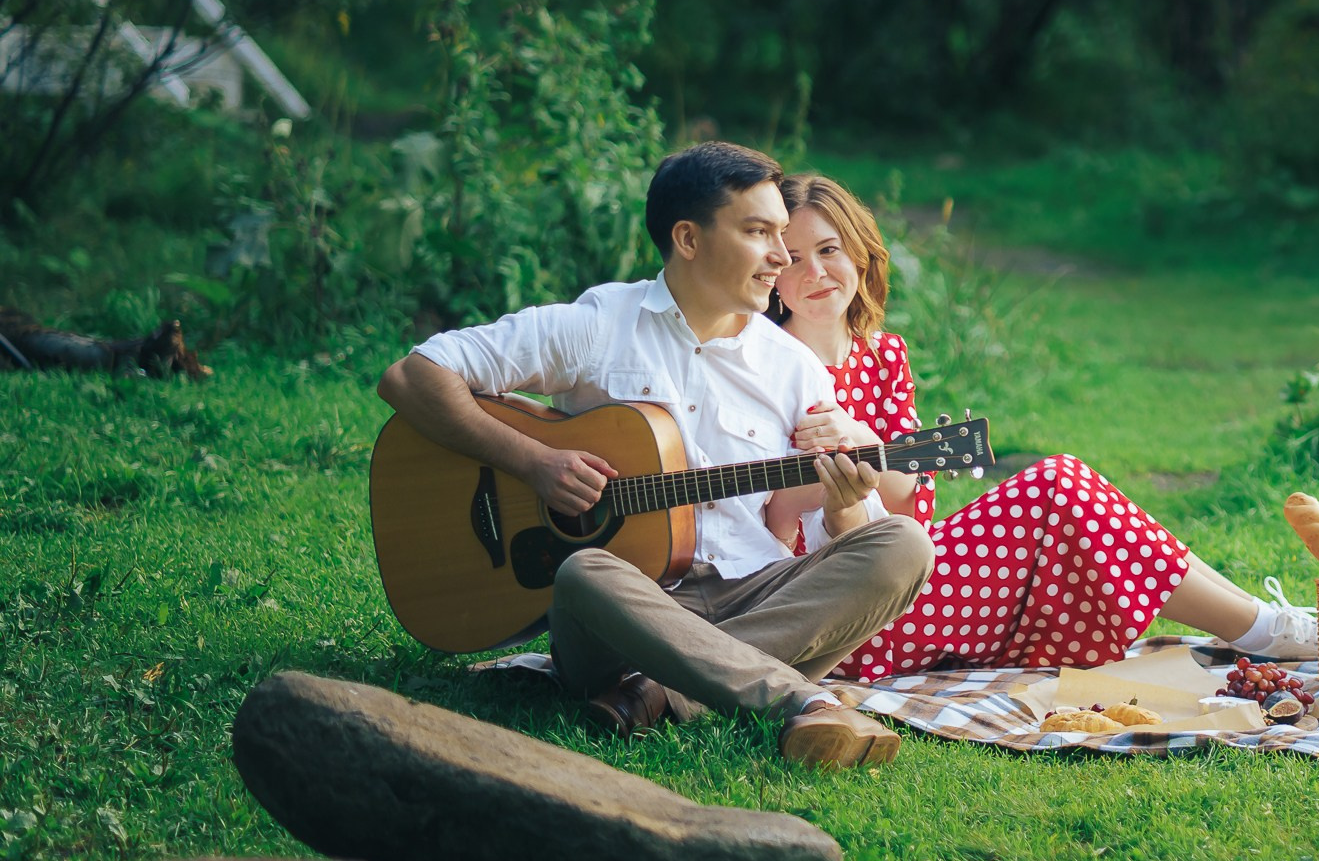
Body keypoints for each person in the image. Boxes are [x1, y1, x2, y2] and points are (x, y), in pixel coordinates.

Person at [375, 141, 936, 769]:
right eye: (759, 233)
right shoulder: (599, 325)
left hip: (750, 591)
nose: (781, 257)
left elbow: (819, 534)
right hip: (624, 612)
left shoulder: (796, 370)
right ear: (689, 240)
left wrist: (845, 505)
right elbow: (413, 376)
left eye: (782, 233)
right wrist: (533, 462)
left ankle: (656, 694)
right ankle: (793, 702)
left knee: (904, 545)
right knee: (584, 572)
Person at [768, 172, 1319, 679]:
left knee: (1075, 494)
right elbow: (780, 535)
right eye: (792, 259)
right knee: (1056, 486)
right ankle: (1263, 629)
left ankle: (1264, 622)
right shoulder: (767, 366)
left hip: (909, 568)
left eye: (828, 249)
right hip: (849, 618)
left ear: (860, 254)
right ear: (770, 275)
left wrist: (868, 445)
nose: (814, 273)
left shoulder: (884, 354)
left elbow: (912, 507)